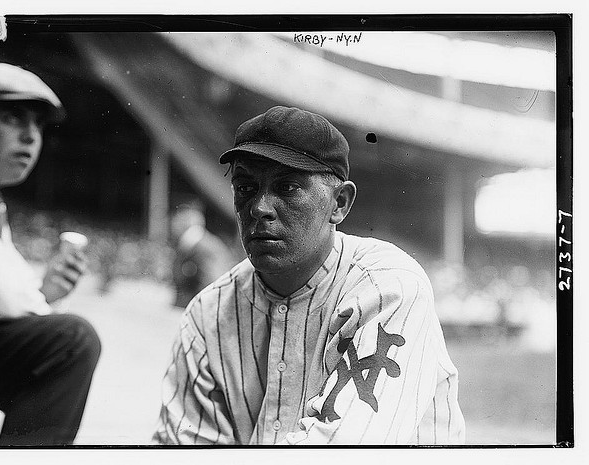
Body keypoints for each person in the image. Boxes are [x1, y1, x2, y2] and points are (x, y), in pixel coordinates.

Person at [153, 106, 466, 445]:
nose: (258, 208)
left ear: (339, 203)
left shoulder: (387, 285)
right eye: (245, 187)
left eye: (287, 188)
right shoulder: (206, 314)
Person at [0, 62, 101, 446]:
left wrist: (44, 291)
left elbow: (9, 291)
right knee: (72, 340)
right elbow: (9, 297)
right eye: (13, 118)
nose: (30, 137)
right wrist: (40, 298)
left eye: (39, 126)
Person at [170, 201, 236, 308]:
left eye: (177, 220)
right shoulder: (203, 242)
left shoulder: (199, 245)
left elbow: (211, 281)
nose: (172, 224)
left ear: (185, 224)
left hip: (207, 305)